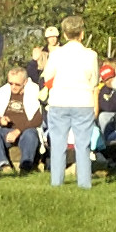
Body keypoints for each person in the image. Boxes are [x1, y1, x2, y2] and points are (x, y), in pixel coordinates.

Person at [44, 16, 101, 188]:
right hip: (83, 101)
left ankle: (56, 182)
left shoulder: (56, 54)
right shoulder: (91, 55)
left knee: (58, 144)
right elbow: (94, 80)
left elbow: (47, 76)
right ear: (82, 34)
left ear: (65, 34)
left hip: (59, 101)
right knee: (83, 145)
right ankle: (84, 183)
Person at [0, 60, 42, 174]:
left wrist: (18, 131)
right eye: (11, 83)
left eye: (17, 84)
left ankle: (26, 166)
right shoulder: (2, 93)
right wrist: (1, 120)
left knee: (31, 134)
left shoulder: (35, 92)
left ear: (25, 82)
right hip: (6, 130)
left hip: (25, 130)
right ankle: (3, 164)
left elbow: (38, 119)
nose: (13, 87)